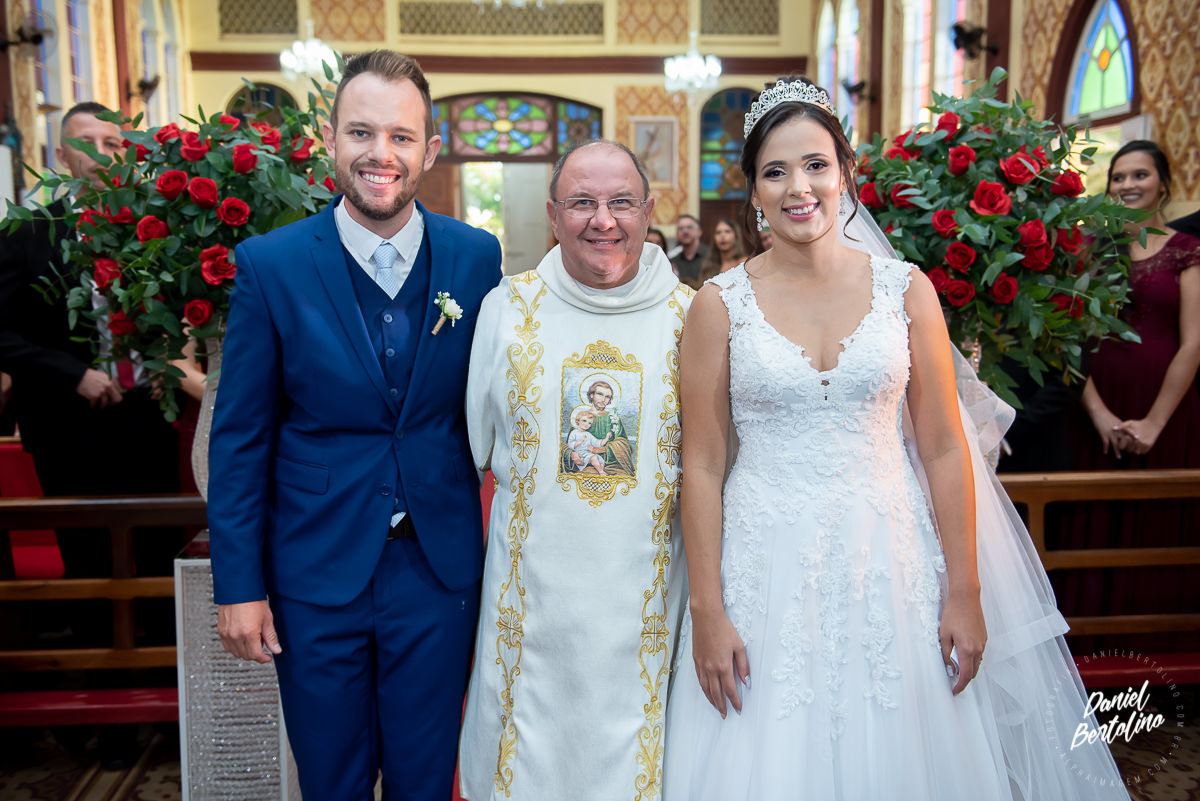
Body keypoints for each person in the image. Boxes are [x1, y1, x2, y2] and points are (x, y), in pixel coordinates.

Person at [662, 78, 1126, 799]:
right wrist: (708, 609)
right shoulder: (718, 306)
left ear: (847, 170)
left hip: (893, 563)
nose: (798, 187)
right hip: (764, 572)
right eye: (775, 171)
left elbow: (943, 446)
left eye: (816, 164)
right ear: (752, 188)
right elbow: (701, 464)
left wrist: (966, 591)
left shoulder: (906, 290)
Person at [207, 51, 502, 801]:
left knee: (426, 778)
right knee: (332, 780)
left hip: (437, 572)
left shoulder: (476, 258)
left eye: (402, 137)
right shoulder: (271, 265)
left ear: (430, 152)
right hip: (314, 571)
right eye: (362, 133)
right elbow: (239, 439)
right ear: (330, 141)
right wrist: (238, 584)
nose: (381, 154)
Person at [459, 140, 693, 800]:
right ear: (553, 214)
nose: (603, 219)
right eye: (582, 202)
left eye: (621, 202)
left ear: (650, 212)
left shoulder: (692, 317)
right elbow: (468, 454)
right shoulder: (507, 310)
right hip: (532, 609)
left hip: (646, 611)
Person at [0, 102, 180, 578]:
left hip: (148, 414)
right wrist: (73, 374)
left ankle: (161, 652)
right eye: (86, 145)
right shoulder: (28, 234)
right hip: (67, 422)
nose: (99, 155)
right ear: (63, 155)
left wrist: (167, 363)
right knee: (89, 560)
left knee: (160, 552)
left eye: (112, 143)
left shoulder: (158, 228)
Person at [1067, 140, 1199, 652]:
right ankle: (1092, 652)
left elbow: (1193, 342)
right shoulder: (1090, 251)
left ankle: (1157, 653)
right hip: (1095, 404)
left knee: (1157, 525)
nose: (1127, 186)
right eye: (1119, 177)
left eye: (1139, 175)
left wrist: (1155, 423)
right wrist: (1099, 414)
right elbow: (1068, 339)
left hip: (1166, 407)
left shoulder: (1186, 249)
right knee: (1095, 524)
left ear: (1164, 183)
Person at [696, 217, 746, 285]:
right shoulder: (708, 266)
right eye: (718, 232)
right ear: (714, 238)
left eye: (727, 231)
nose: (722, 236)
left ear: (736, 236)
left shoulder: (744, 264)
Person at [565, 408, 612, 474]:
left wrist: (606, 438)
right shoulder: (574, 432)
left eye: (589, 423)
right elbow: (570, 444)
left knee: (600, 460)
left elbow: (597, 443)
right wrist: (580, 442)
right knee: (594, 457)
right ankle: (601, 471)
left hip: (587, 453)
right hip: (580, 454)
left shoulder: (588, 434)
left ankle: (601, 472)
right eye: (584, 421)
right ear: (578, 421)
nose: (586, 424)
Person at [670, 213, 707, 287]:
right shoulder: (672, 262)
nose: (685, 231)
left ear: (699, 232)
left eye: (689, 227)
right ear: (677, 234)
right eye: (681, 228)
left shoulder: (711, 256)